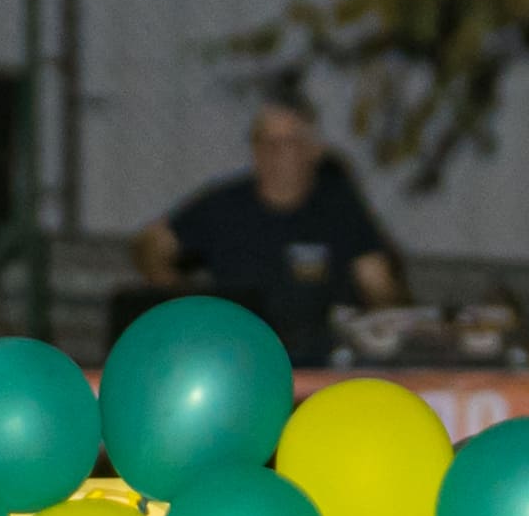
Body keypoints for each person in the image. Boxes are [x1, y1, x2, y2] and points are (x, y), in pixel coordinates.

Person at [133, 91, 404, 368]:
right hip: (238, 359)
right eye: (265, 142)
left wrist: (378, 328)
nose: (275, 153)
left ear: (313, 150)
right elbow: (151, 243)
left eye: (288, 143)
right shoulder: (224, 206)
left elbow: (378, 283)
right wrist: (178, 295)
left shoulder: (339, 210)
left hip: (321, 363)